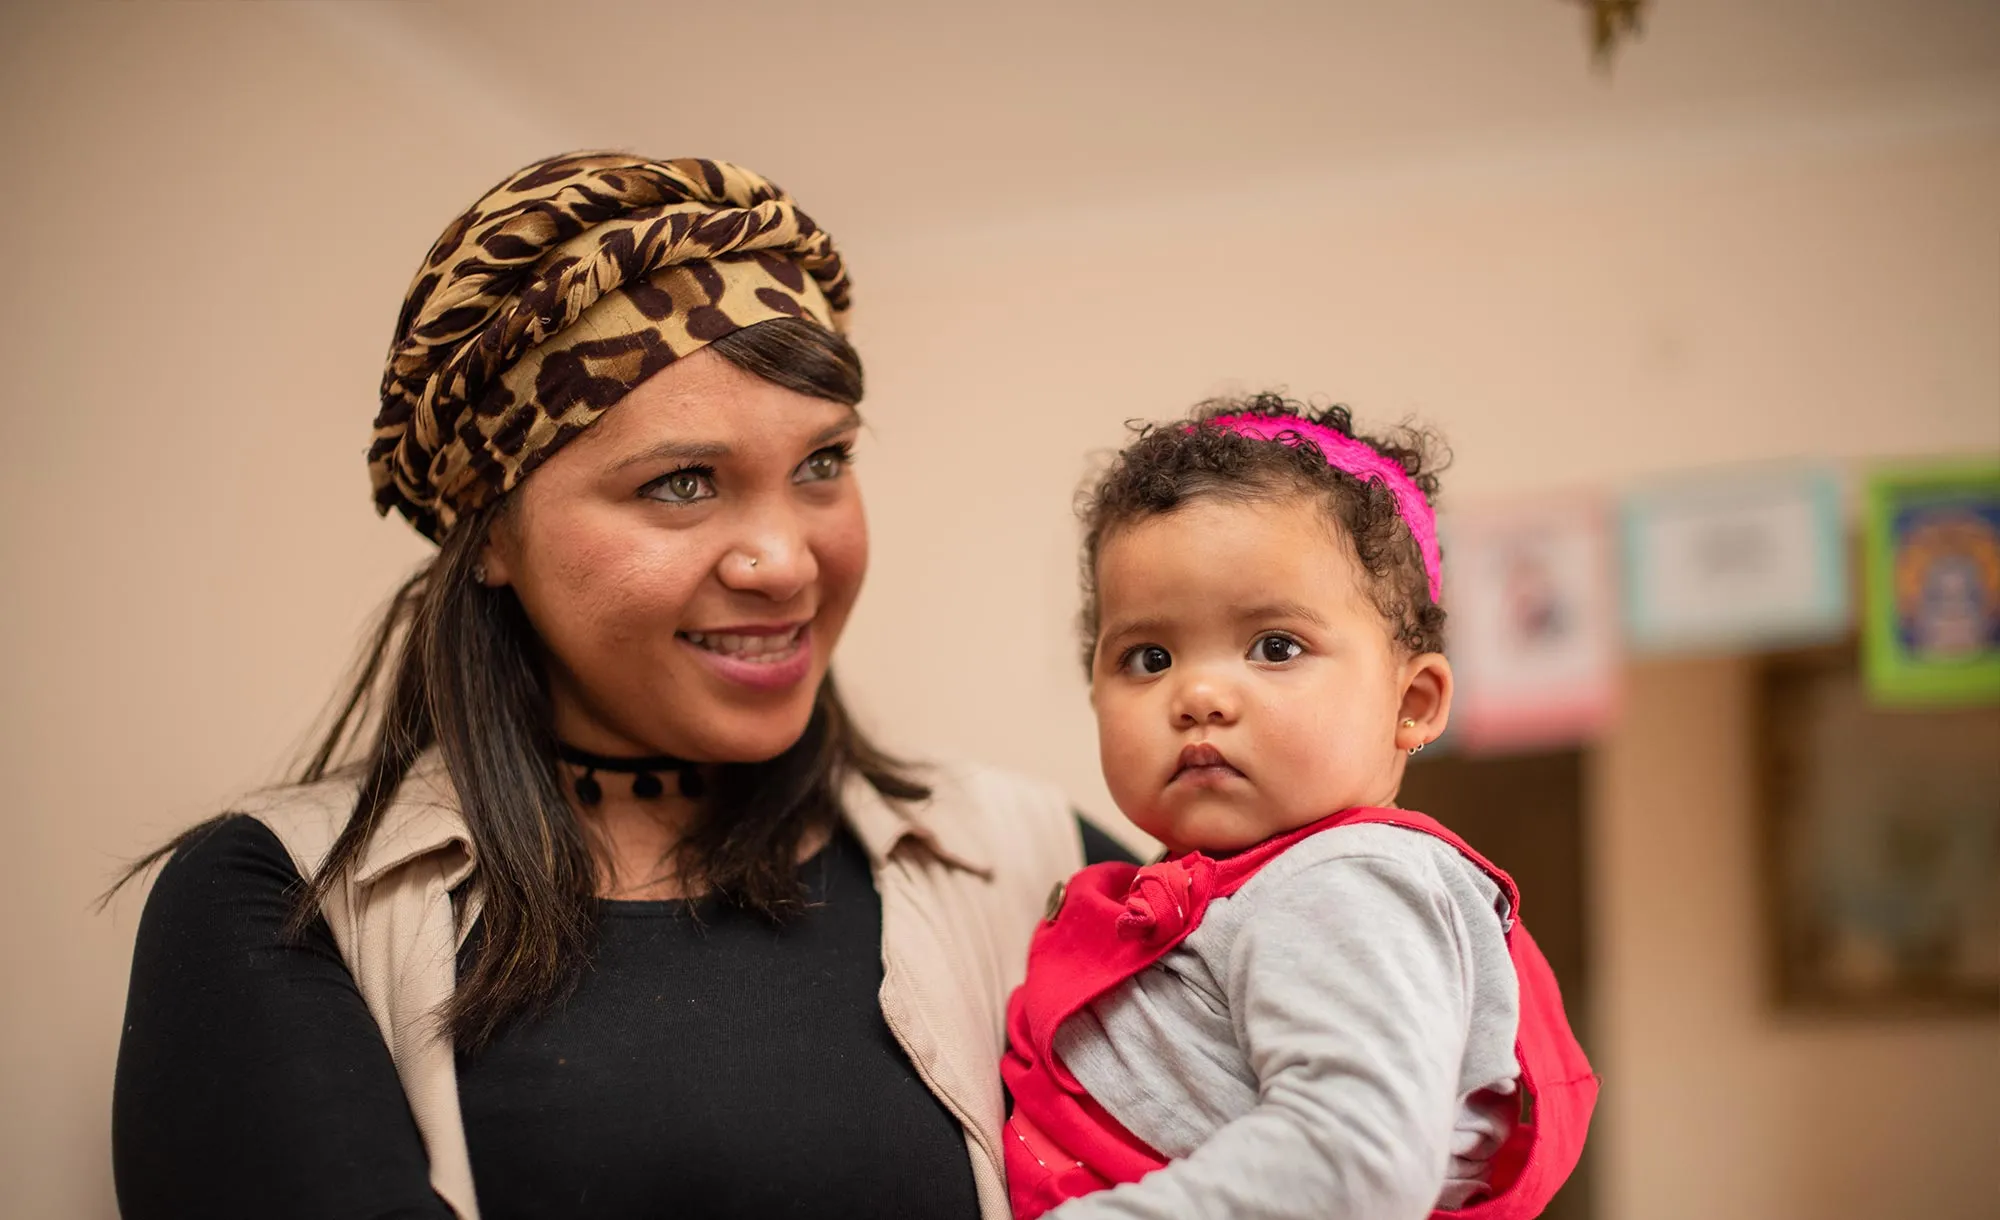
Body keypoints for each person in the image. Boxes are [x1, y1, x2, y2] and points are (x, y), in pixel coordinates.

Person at [111, 151, 1130, 1220]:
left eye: (822, 462)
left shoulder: (1033, 864)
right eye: (681, 483)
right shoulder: (288, 899)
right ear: (492, 530)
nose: (784, 560)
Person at [1001, 396, 1598, 1219]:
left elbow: (1354, 1160)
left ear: (1413, 704)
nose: (1199, 693)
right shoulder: (1237, 892)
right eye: (1149, 656)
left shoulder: (1342, 884)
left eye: (1275, 647)